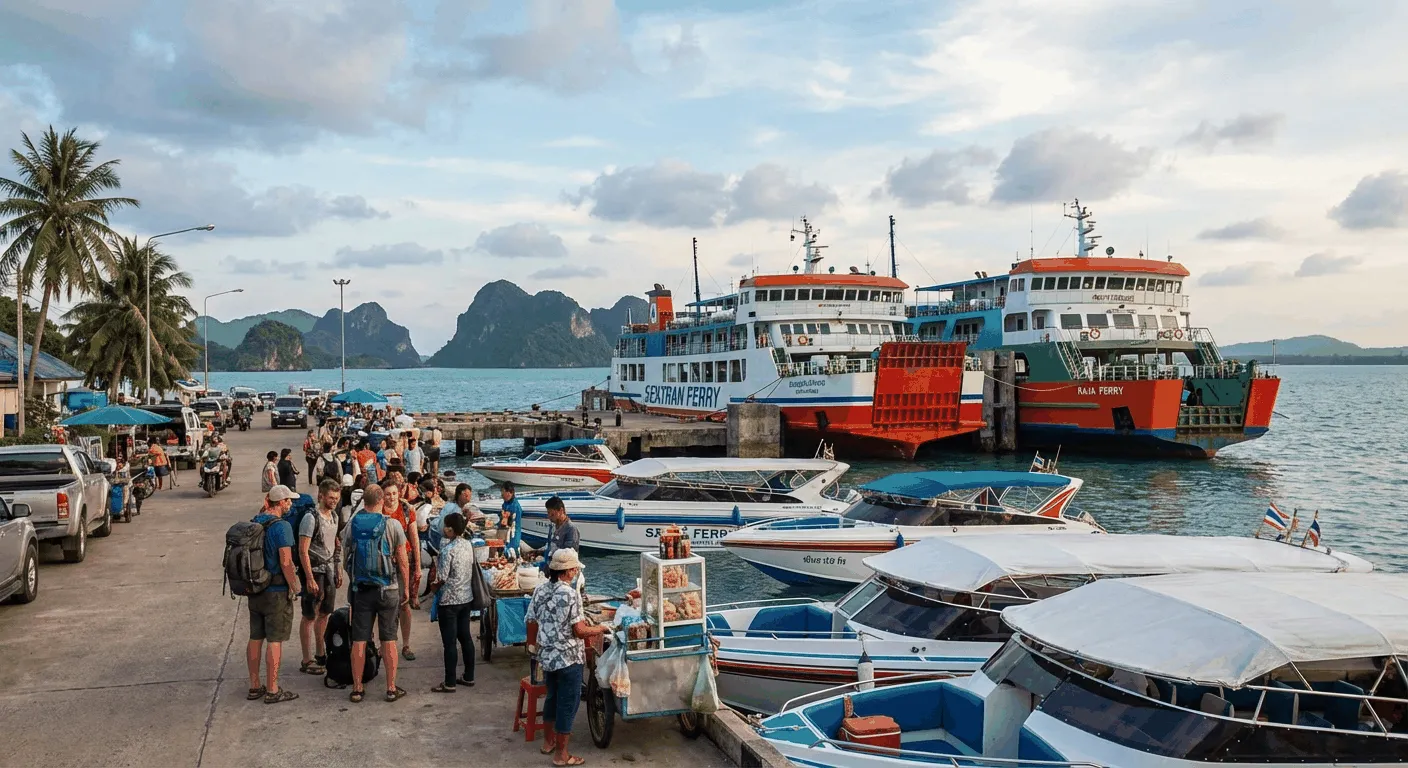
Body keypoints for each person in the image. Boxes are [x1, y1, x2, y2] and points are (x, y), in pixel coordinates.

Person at [527, 548, 609, 766]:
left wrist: (533, 646)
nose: (575, 572)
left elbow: (531, 620)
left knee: (552, 697)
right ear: (568, 571)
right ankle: (562, 755)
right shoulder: (570, 594)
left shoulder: (540, 590)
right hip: (569, 658)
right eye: (574, 569)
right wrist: (599, 629)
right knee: (568, 704)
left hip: (547, 657)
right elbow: (579, 631)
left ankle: (548, 742)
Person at [340, 484, 410, 703]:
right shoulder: (393, 524)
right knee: (388, 639)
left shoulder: (352, 525)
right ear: (381, 501)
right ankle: (390, 688)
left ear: (365, 501)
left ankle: (358, 688)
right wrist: (406, 587)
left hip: (361, 590)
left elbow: (346, 559)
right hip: (388, 589)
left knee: (359, 640)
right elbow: (402, 560)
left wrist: (355, 581)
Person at [247, 485, 302, 704]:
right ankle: (272, 688)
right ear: (281, 502)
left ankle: (254, 686)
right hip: (276, 591)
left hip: (255, 589)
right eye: (289, 501)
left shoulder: (255, 521)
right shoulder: (282, 527)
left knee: (255, 638)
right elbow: (286, 562)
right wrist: (294, 587)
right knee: (275, 640)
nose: (291, 504)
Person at [297, 479, 343, 676]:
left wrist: (338, 568)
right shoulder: (310, 518)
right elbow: (302, 550)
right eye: (331, 498)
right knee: (309, 615)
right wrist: (309, 577)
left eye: (337, 498)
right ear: (321, 496)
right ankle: (306, 659)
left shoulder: (334, 516)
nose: (334, 501)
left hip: (329, 571)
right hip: (315, 571)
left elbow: (336, 544)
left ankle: (320, 653)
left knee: (324, 614)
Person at [428, 511, 476, 692]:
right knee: (465, 637)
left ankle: (449, 682)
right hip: (466, 598)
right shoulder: (467, 546)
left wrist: (433, 586)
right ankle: (469, 676)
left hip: (449, 601)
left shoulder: (448, 550)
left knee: (449, 643)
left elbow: (441, 577)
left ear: (450, 529)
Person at [383, 481, 422, 660]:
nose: (391, 497)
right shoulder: (378, 509)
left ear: (398, 493)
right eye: (387, 494)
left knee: (404, 603)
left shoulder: (407, 510)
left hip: (404, 561)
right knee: (382, 604)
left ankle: (406, 645)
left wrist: (418, 567)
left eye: (393, 493)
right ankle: (381, 644)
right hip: (383, 562)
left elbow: (414, 540)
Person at [532, 496, 580, 572]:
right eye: (548, 513)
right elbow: (550, 545)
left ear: (561, 511)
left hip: (563, 572)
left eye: (552, 514)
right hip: (550, 565)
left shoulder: (571, 529)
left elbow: (568, 556)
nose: (549, 517)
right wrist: (538, 552)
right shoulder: (553, 526)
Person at [498, 481, 523, 554]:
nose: (501, 494)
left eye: (503, 491)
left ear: (509, 493)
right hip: (505, 533)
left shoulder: (515, 506)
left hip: (513, 534)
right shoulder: (505, 504)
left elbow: (507, 522)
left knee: (511, 553)